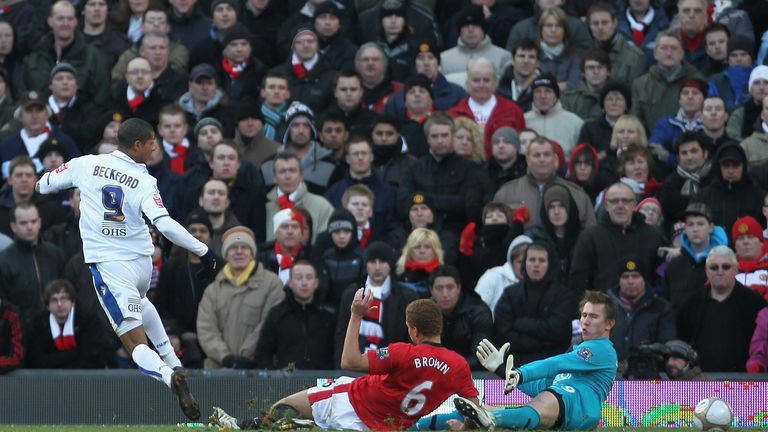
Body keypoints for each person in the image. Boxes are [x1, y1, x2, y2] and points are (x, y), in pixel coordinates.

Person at [35, 117, 218, 421]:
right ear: (136, 145)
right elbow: (164, 224)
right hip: (141, 265)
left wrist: (45, 183)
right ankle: (174, 363)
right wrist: (204, 250)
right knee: (142, 304)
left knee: (134, 345)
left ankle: (166, 375)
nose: (154, 149)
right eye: (151, 144)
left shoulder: (86, 164)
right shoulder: (145, 181)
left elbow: (44, 184)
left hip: (111, 267)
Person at [211, 297, 480, 431]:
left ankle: (241, 425)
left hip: (351, 402)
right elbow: (476, 411)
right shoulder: (458, 366)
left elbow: (349, 360)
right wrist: (464, 427)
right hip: (386, 426)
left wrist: (355, 315)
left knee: (283, 410)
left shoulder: (403, 353)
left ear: (414, 331)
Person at [453, 290, 618, 431]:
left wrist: (521, 373)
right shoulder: (578, 355)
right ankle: (482, 417)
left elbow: (556, 363)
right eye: (584, 315)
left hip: (581, 407)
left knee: (544, 399)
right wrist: (501, 368)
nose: (586, 321)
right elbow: (539, 386)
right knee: (485, 409)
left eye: (593, 316)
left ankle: (491, 419)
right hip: (564, 409)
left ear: (609, 324)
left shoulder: (603, 349)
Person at [197, 225, 284, 369]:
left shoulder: (272, 283)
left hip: (257, 368)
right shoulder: (213, 290)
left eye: (244, 247)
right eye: (233, 248)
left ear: (252, 252)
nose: (239, 252)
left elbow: (269, 323)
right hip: (218, 369)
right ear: (226, 254)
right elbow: (206, 329)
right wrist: (226, 357)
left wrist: (244, 355)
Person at [678, 245, 767, 372]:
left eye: (726, 267)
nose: (720, 272)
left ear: (736, 269)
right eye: (714, 268)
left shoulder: (755, 304)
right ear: (706, 271)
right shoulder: (690, 305)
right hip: (700, 383)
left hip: (744, 383)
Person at [254, 259, 336, 369]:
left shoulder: (329, 315)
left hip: (322, 381)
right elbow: (263, 353)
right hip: (287, 381)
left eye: (309, 277)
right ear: (290, 283)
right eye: (298, 278)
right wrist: (273, 378)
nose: (304, 283)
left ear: (316, 283)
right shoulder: (277, 314)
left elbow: (338, 351)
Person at [25, 279, 113, 368]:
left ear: (73, 302)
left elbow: (91, 358)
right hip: (48, 379)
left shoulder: (89, 321)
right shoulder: (37, 324)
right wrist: (74, 353)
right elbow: (37, 361)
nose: (59, 304)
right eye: (54, 300)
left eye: (64, 298)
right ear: (48, 305)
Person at [429, 265, 492, 370]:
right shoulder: (425, 312)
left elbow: (480, 357)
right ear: (431, 290)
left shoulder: (479, 311)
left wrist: (448, 366)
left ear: (458, 288)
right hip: (436, 370)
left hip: (472, 372)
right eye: (439, 288)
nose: (445, 294)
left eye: (450, 287)